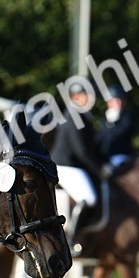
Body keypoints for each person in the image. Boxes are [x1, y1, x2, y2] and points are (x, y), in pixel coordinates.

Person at [49, 81, 104, 253]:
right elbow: (83, 152)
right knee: (89, 198)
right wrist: (100, 169)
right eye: (87, 95)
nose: (91, 98)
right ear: (76, 96)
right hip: (67, 165)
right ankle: (72, 240)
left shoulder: (81, 114)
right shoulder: (75, 116)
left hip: (73, 165)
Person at [97, 85, 137, 176]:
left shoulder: (127, 116)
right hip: (105, 157)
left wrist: (111, 124)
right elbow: (100, 138)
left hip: (121, 155)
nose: (118, 103)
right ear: (108, 102)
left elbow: (118, 135)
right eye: (115, 100)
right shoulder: (105, 119)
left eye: (120, 100)